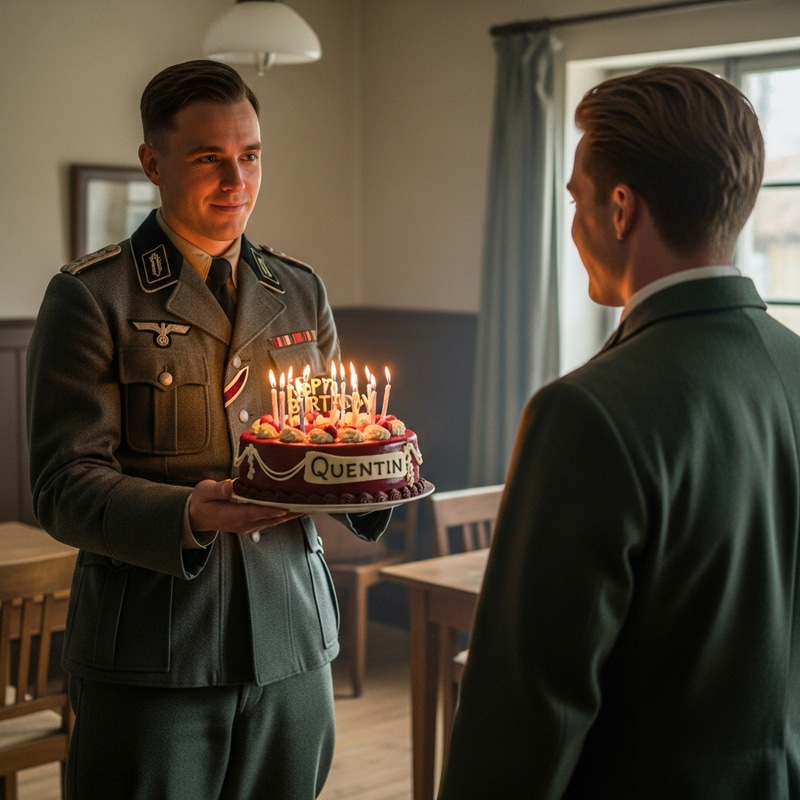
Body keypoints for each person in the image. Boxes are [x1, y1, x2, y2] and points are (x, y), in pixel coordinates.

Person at [26, 59, 389, 800]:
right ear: (152, 163)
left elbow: (330, 437)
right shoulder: (92, 296)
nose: (237, 180)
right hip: (156, 653)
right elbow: (62, 486)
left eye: (250, 155)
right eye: (208, 158)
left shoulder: (299, 289)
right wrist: (186, 512)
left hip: (293, 640)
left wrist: (374, 472)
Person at [438, 66, 800, 799]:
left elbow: (526, 709)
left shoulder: (587, 411)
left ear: (620, 209)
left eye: (577, 199)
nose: (574, 225)